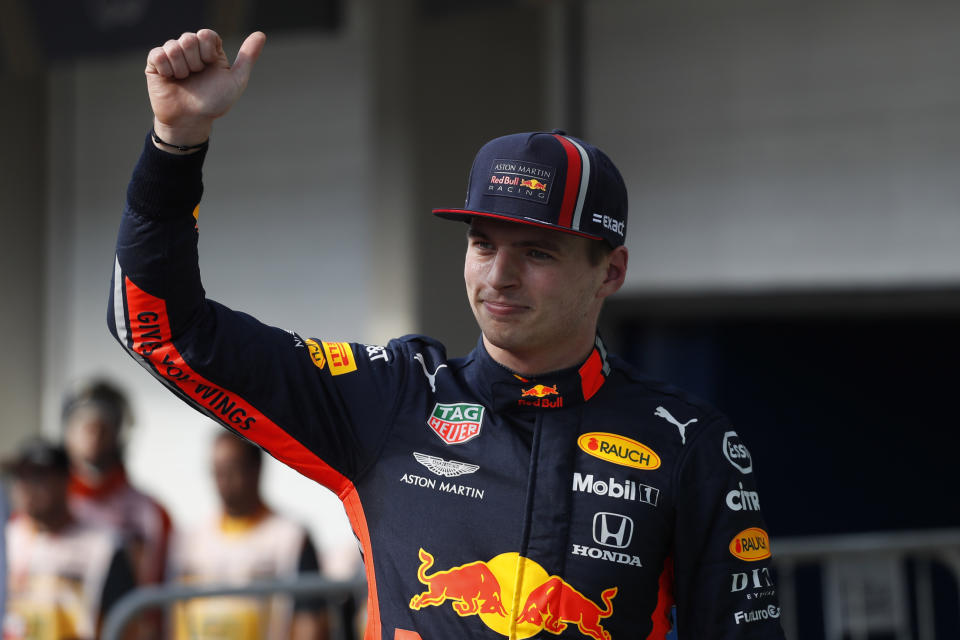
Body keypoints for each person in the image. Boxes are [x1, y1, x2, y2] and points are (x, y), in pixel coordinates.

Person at [107, 28, 785, 639]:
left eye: (538, 252)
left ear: (611, 272)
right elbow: (161, 331)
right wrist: (177, 144)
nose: (500, 275)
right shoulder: (391, 397)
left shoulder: (689, 441)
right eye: (484, 244)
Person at [168, 431, 329, 640]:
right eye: (218, 471)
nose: (224, 480)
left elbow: (310, 620)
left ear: (256, 469)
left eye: (233, 469)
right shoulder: (189, 539)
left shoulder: (291, 536)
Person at [2, 438, 136, 640]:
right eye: (19, 476)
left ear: (67, 480)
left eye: (37, 476)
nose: (24, 486)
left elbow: (131, 626)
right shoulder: (9, 538)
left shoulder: (104, 545)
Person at [62, 380, 172, 590]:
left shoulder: (150, 513)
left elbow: (159, 600)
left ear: (121, 432)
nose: (94, 429)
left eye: (107, 420)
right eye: (81, 419)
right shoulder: (43, 508)